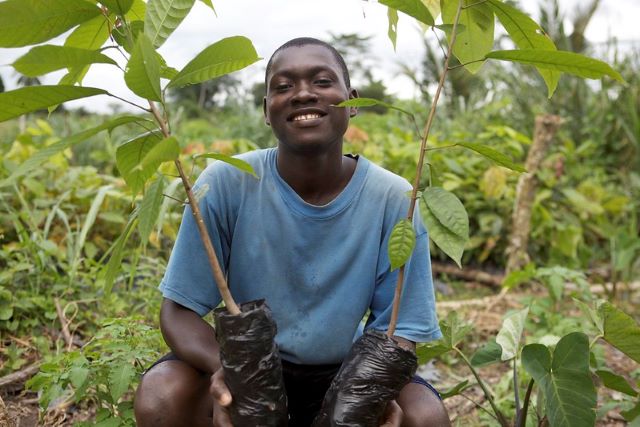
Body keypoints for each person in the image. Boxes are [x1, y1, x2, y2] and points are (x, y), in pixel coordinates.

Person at [134, 37, 450, 427]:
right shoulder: (227, 182)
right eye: (283, 87)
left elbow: (398, 329)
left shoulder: (394, 198)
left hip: (347, 369)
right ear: (266, 110)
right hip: (248, 363)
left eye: (322, 82)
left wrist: (366, 394)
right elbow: (178, 312)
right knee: (163, 394)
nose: (303, 94)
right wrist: (237, 374)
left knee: (425, 415)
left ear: (352, 100)